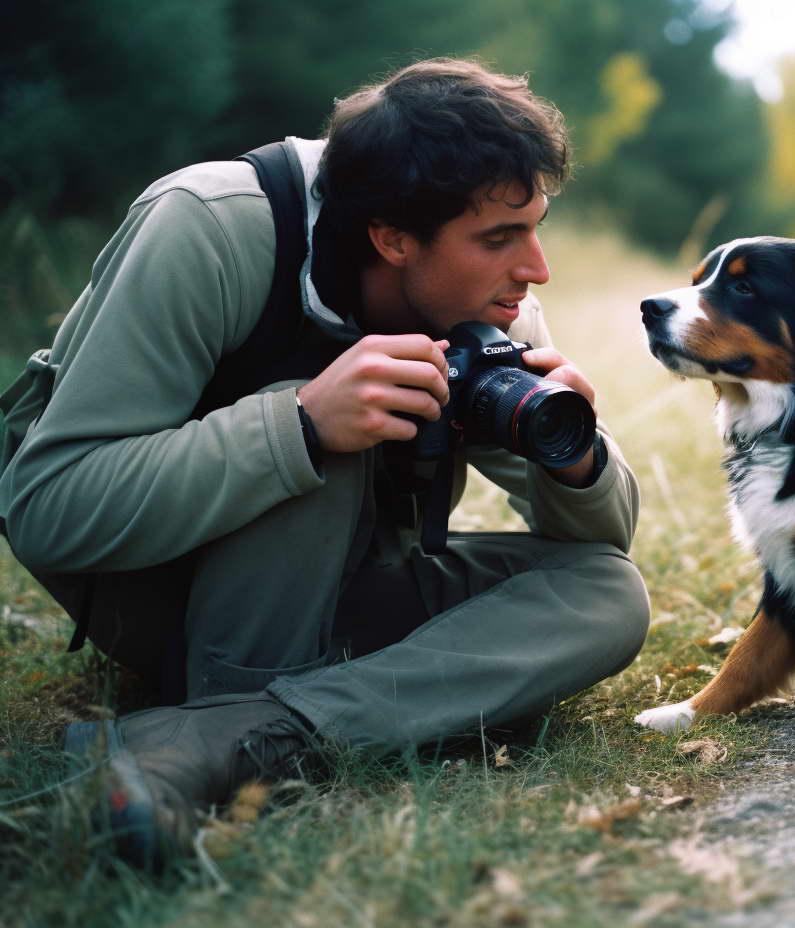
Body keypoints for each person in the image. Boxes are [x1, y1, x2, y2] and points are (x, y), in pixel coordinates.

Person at [0, 58, 648, 866]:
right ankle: (229, 715)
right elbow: (47, 508)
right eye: (498, 239)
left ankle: (219, 738)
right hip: (163, 591)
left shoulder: (486, 299)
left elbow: (607, 534)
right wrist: (300, 427)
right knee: (327, 418)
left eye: (536, 227)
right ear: (393, 237)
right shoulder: (209, 227)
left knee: (608, 594)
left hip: (338, 585)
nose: (535, 268)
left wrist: (575, 454)